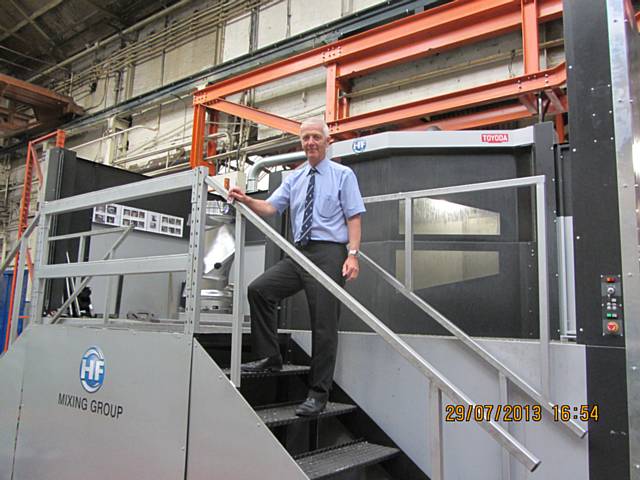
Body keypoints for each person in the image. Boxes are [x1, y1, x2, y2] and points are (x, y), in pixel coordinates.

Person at [228, 117, 366, 416]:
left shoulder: (343, 175)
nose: (310, 143)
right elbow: (271, 207)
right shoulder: (295, 178)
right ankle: (270, 357)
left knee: (323, 323)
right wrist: (246, 199)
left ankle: (318, 393)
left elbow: (354, 216)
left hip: (329, 253)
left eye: (316, 137)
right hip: (298, 253)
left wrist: (352, 254)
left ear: (327, 141)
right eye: (305, 138)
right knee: (260, 291)